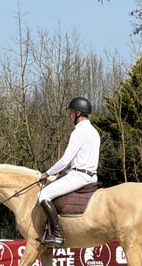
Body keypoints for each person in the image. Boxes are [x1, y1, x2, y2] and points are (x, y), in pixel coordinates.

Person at [38, 96, 100, 248]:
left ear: (78, 113)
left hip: (79, 176)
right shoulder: (94, 131)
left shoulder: (79, 132)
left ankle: (57, 235)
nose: (70, 115)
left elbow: (65, 160)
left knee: (43, 195)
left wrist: (48, 173)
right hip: (91, 175)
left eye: (71, 112)